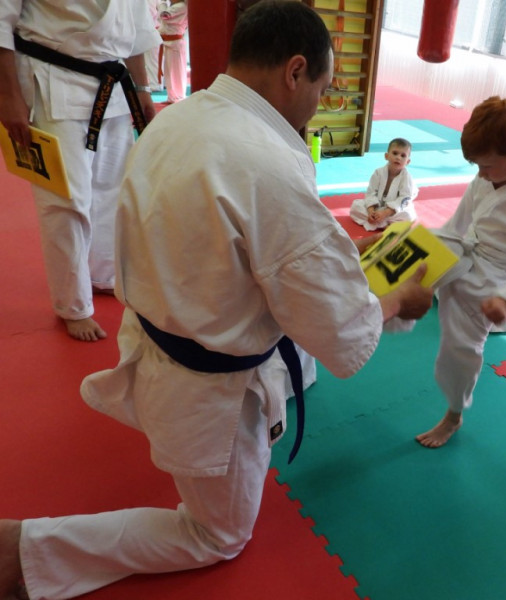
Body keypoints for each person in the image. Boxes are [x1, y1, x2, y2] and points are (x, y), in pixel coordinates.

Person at [0, 2, 432, 598]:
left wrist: (334, 265)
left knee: (304, 331)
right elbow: (343, 331)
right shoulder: (271, 166)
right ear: (295, 71)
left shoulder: (178, 117)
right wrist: (398, 300)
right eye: (322, 88)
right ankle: (25, 551)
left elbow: (247, 250)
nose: (320, 103)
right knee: (217, 535)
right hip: (209, 390)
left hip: (159, 335)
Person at [0, 1, 161, 342]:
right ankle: (72, 305)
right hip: (52, 77)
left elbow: (135, 25)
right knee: (66, 199)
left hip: (113, 84)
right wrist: (8, 97)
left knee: (112, 189)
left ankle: (102, 275)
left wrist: (142, 88)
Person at [415, 96, 506, 449]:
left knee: (459, 348)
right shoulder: (488, 173)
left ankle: (453, 416)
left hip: (494, 275)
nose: (480, 173)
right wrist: (425, 252)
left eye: (487, 166)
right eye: (477, 165)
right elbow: (455, 226)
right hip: (466, 250)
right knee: (409, 256)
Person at [349, 137, 418, 231]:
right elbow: (371, 193)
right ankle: (384, 223)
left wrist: (386, 213)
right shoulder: (378, 172)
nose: (398, 157)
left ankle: (379, 223)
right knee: (356, 206)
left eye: (403, 155)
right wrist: (371, 211)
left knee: (409, 215)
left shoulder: (406, 177)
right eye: (395, 153)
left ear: (407, 162)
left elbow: (404, 199)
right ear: (386, 156)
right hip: (378, 207)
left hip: (392, 211)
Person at [157, 0, 189, 104]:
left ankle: (178, 97)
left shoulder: (181, 6)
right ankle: (172, 97)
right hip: (169, 43)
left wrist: (162, 4)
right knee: (169, 72)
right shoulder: (176, 6)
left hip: (174, 43)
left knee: (176, 72)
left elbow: (164, 15)